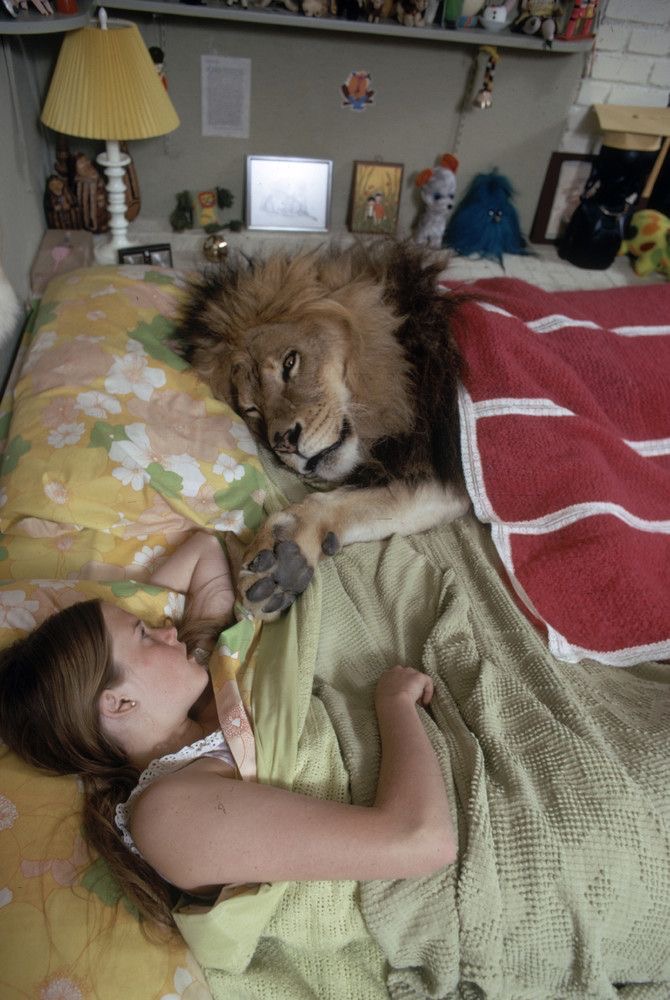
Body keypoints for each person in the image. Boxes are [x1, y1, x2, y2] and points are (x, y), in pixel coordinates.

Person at [0, 529, 455, 932]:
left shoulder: (205, 689)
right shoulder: (167, 816)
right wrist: (394, 703)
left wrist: (139, 598)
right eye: (142, 633)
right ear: (119, 703)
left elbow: (203, 549)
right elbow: (418, 840)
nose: (166, 631)